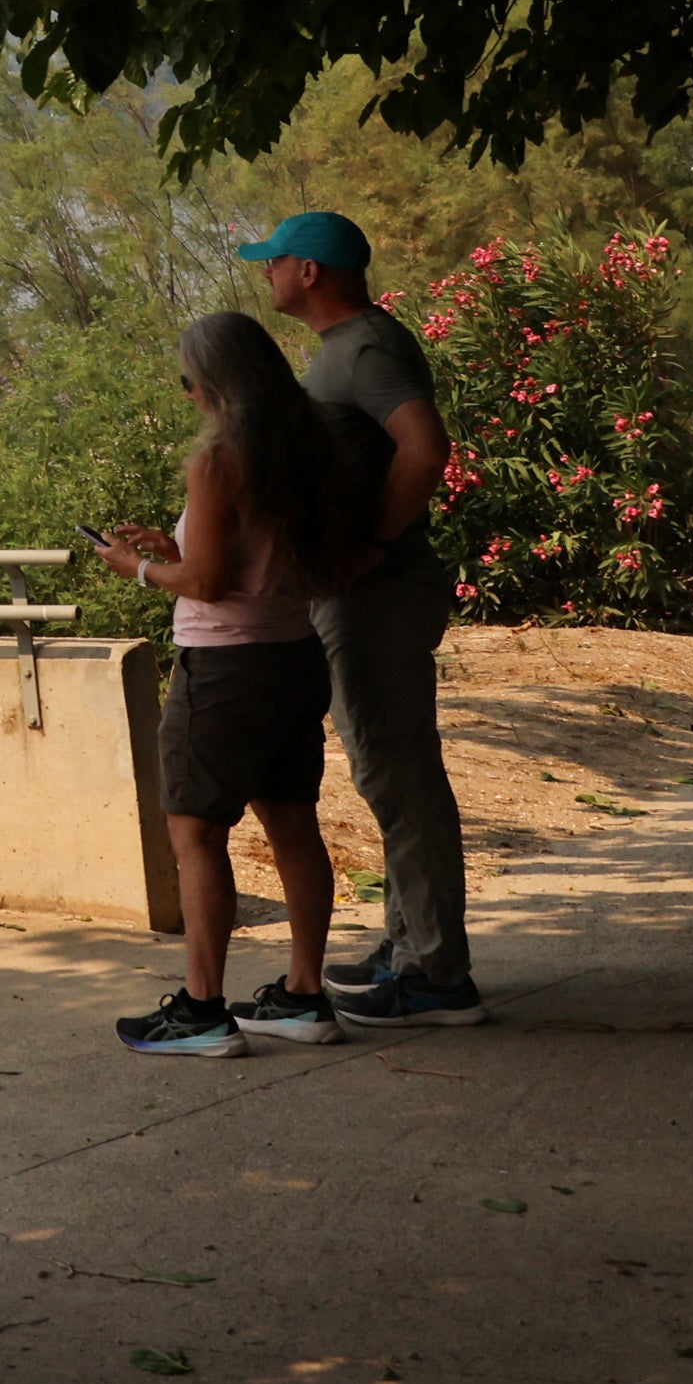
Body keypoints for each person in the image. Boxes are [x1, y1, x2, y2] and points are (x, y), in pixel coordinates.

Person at [94, 313, 378, 1057]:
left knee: (195, 833)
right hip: (293, 655)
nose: (187, 395)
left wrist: (142, 569)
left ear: (213, 384)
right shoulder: (308, 446)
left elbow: (211, 584)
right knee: (293, 826)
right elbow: (251, 554)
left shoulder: (220, 459)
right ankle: (304, 995)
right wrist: (180, 544)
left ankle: (201, 1010)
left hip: (224, 668)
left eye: (189, 382)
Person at [239, 210, 480, 1024]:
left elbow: (425, 446)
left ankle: (439, 974)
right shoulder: (343, 350)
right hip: (361, 592)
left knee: (399, 775)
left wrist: (375, 545)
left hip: (379, 594)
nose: (264, 273)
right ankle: (412, 945)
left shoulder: (367, 349)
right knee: (389, 773)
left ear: (309, 270)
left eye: (273, 261)